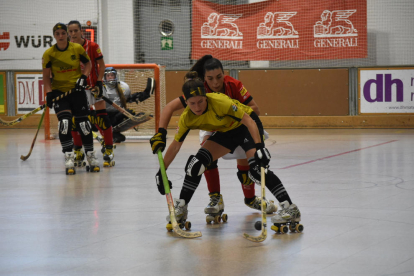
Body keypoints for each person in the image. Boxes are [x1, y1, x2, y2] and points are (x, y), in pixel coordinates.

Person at [153, 71, 301, 230]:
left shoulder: (220, 102)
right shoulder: (187, 118)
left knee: (257, 169)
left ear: (206, 97)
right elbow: (175, 146)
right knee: (195, 165)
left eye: (201, 101)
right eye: (192, 103)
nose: (197, 107)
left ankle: (289, 208)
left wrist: (259, 148)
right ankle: (181, 207)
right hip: (226, 133)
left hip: (245, 127)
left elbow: (249, 120)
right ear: (186, 103)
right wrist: (161, 171)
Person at [150, 55, 276, 217]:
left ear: (224, 74)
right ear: (204, 79)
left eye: (218, 78)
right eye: (210, 79)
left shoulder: (233, 84)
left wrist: (230, 111)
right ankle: (215, 197)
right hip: (211, 126)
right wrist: (161, 133)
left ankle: (250, 198)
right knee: (205, 153)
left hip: (236, 124)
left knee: (248, 161)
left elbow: (255, 109)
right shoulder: (199, 90)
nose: (215, 83)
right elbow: (169, 108)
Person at [42, 22, 100, 174]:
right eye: (57, 34)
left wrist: (83, 77)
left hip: (77, 92)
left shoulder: (77, 48)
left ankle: (91, 156)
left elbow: (88, 64)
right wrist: (48, 93)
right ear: (54, 36)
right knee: (65, 123)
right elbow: (46, 77)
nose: (61, 36)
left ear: (67, 34)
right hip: (60, 94)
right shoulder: (49, 54)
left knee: (84, 125)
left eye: (63, 33)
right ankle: (69, 156)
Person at [67, 20, 114, 167]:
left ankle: (108, 150)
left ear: (81, 31)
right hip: (78, 90)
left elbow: (102, 66)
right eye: (71, 31)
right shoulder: (67, 49)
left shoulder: (92, 46)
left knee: (102, 120)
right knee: (76, 121)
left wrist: (99, 82)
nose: (73, 34)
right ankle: (78, 151)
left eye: (76, 31)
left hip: (94, 87)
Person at [102, 67, 155, 143]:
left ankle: (114, 132)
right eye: (108, 75)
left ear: (115, 76)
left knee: (130, 112)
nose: (110, 77)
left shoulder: (123, 87)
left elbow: (129, 99)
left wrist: (144, 95)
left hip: (117, 115)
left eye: (112, 75)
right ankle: (111, 131)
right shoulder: (101, 88)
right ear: (105, 77)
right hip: (104, 116)